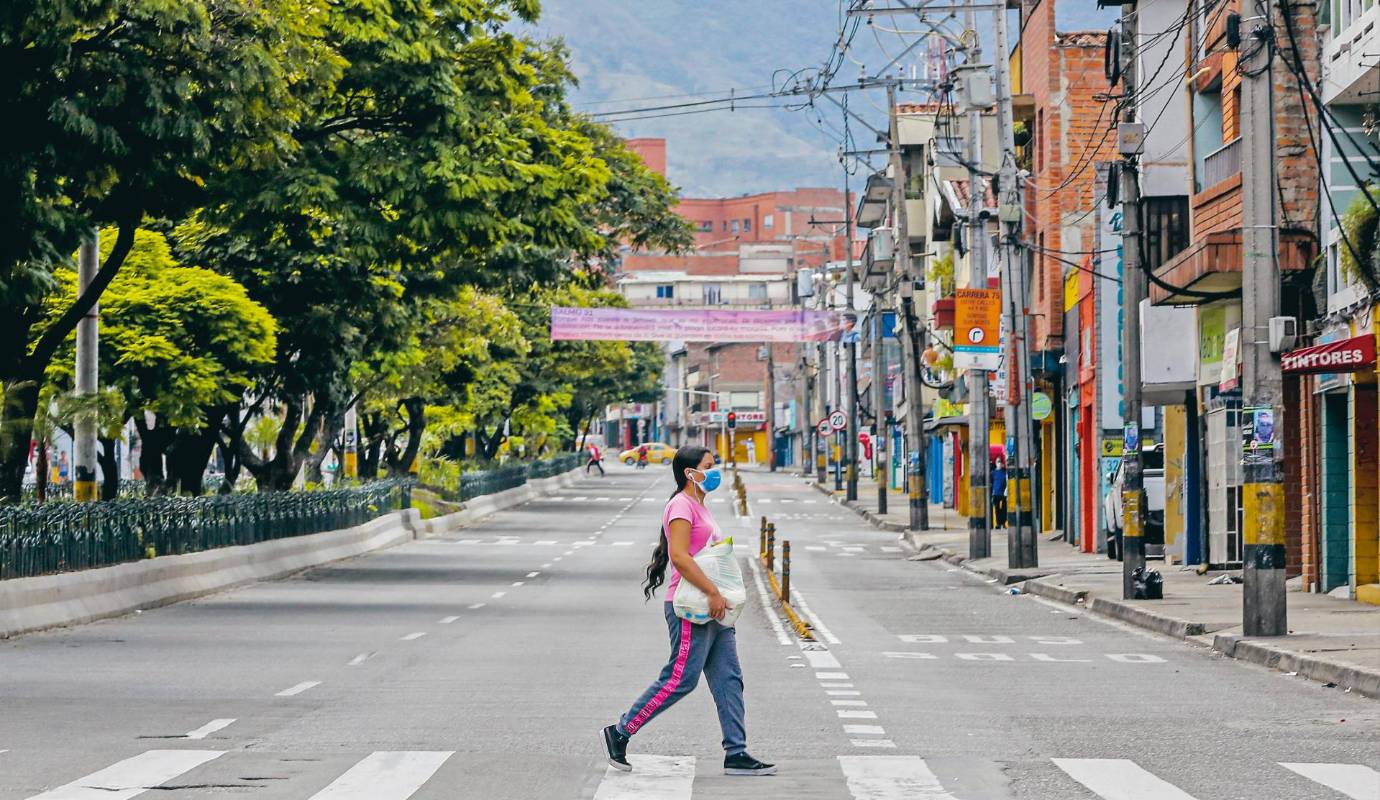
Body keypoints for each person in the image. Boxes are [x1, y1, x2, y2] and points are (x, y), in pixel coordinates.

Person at [602, 445, 775, 777]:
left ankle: (736, 752)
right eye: (708, 466)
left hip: (713, 606)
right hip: (690, 606)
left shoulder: (699, 505)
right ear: (689, 473)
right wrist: (712, 591)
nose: (714, 472)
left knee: (728, 679)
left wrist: (719, 594)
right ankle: (620, 732)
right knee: (680, 679)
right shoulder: (680, 506)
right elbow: (680, 556)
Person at [991, 457, 1008, 529]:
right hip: (996, 493)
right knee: (997, 509)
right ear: (996, 463)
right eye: (998, 462)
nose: (999, 463)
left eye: (1000, 462)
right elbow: (991, 483)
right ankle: (998, 523)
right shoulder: (993, 473)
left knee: (1004, 509)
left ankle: (1003, 523)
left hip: (1004, 494)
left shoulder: (1005, 472)